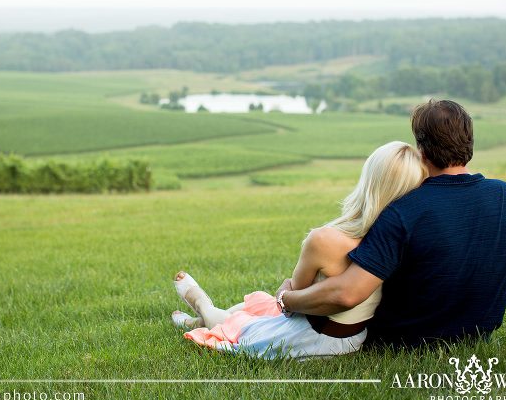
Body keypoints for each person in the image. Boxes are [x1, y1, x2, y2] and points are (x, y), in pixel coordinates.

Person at [276, 99, 506, 347]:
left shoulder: (403, 211)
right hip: (473, 342)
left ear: (421, 151)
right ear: (469, 142)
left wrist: (287, 297)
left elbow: (346, 294)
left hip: (399, 345)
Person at [171, 141, 427, 359]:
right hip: (355, 336)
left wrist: (286, 289)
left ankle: (204, 307)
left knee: (239, 325)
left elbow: (293, 300)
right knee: (260, 304)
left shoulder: (325, 239)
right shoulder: (406, 241)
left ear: (368, 181)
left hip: (316, 339)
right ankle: (201, 318)